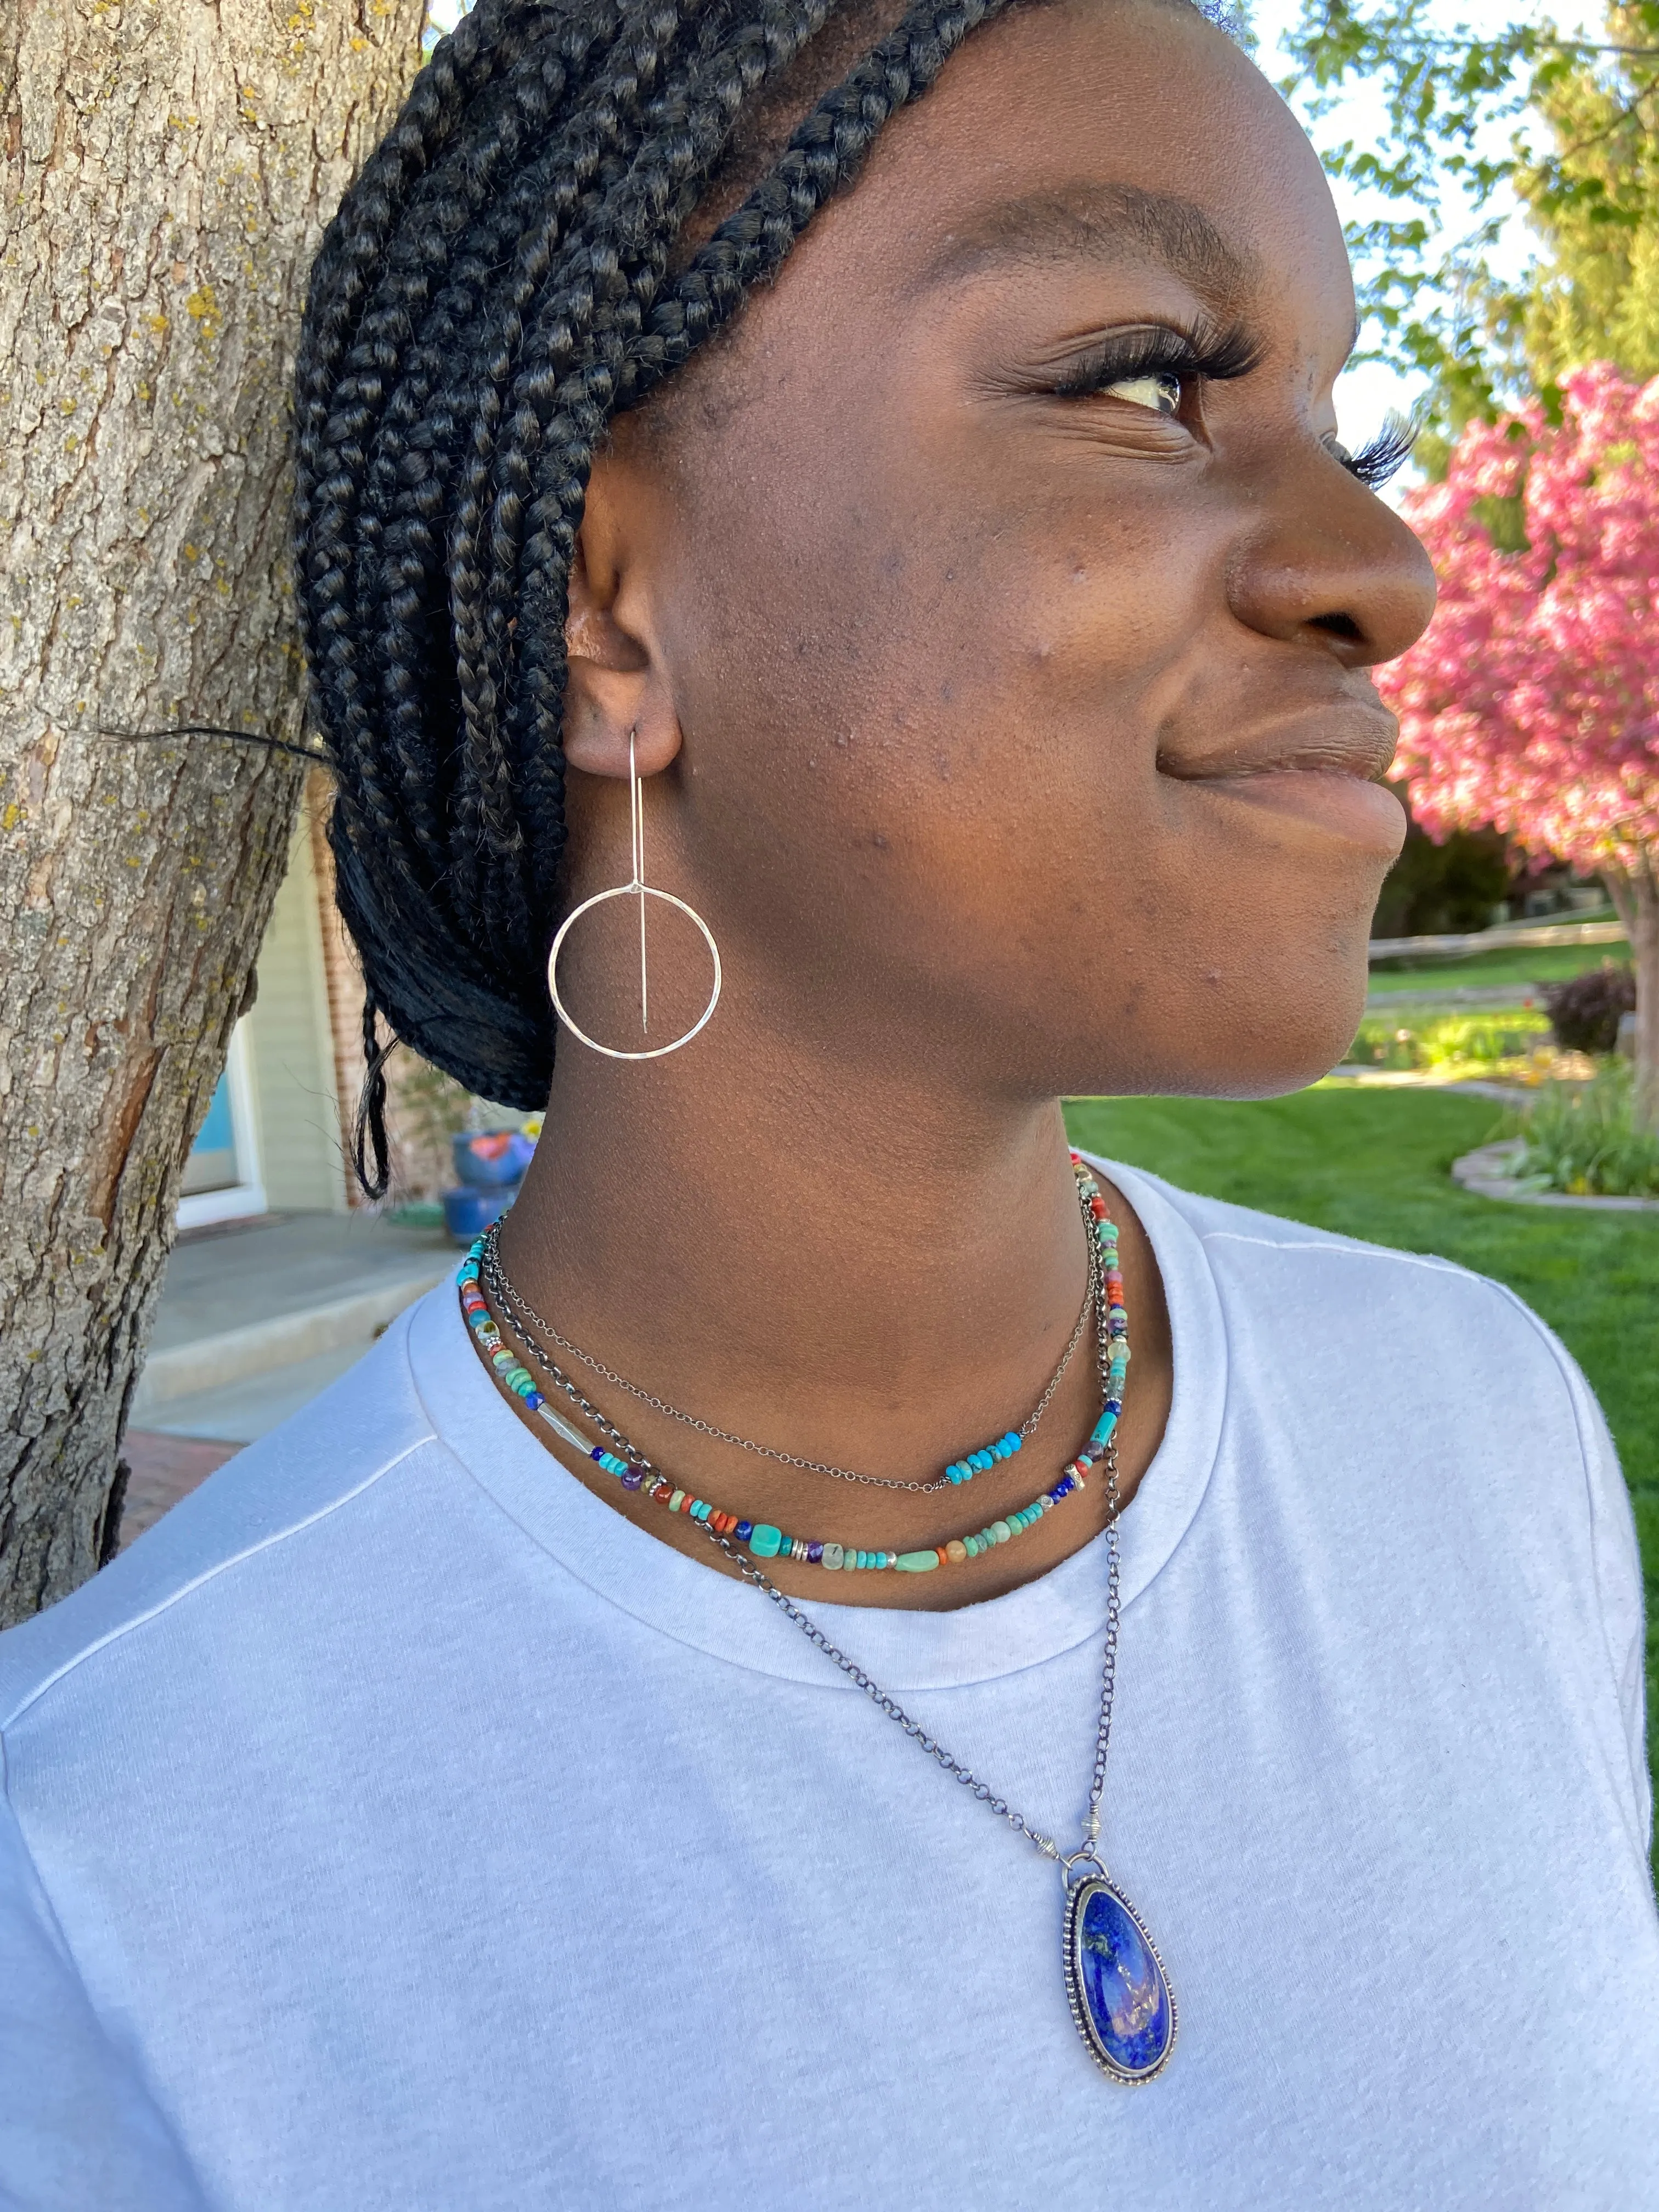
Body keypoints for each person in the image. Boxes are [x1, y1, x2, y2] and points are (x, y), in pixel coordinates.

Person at [1, 0, 1655, 2202]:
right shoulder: (122, 1855)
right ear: (610, 607)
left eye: (1340, 422)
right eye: (1147, 381)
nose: (1386, 568)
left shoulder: (1475, 1428)